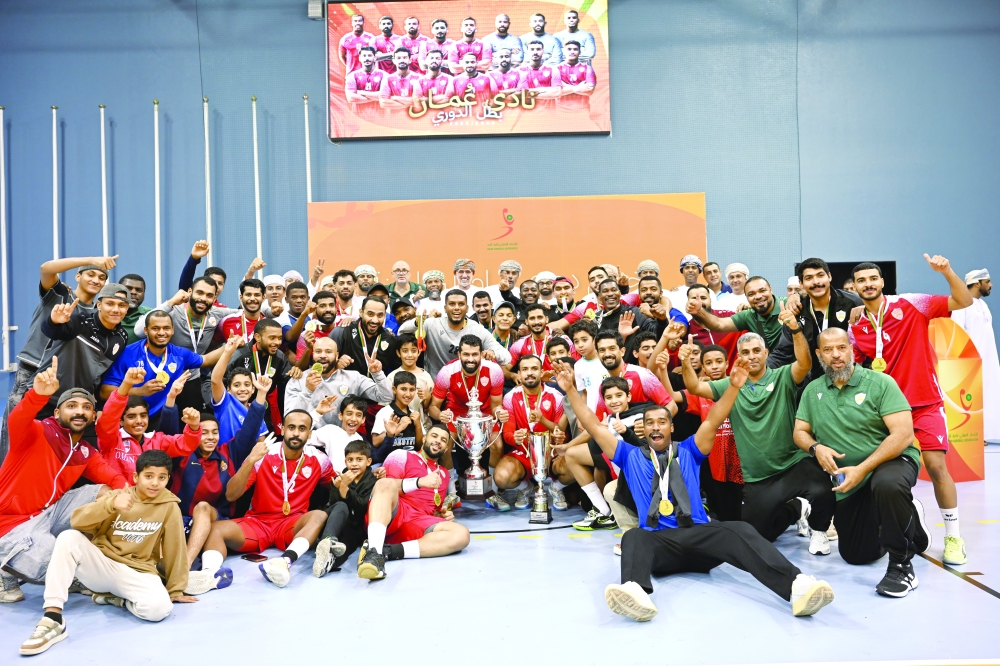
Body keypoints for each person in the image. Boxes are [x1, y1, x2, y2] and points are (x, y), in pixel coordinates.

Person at [552, 360, 835, 622]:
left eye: (661, 421)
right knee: (633, 537)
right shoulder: (627, 455)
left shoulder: (690, 450)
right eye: (649, 422)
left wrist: (734, 387)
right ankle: (635, 592)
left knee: (738, 529)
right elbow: (591, 423)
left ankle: (797, 587)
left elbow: (713, 419)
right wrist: (570, 391)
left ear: (671, 427)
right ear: (642, 430)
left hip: (700, 539)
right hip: (659, 542)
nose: (655, 426)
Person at [849, 255, 974, 565]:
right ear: (854, 286)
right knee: (884, 474)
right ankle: (906, 516)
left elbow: (964, 299)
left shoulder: (912, 304)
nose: (868, 284)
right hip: (886, 411)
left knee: (935, 467)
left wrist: (946, 271)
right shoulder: (856, 325)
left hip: (924, 403)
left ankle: (953, 536)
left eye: (872, 279)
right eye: (861, 281)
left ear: (882, 282)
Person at [682, 310, 836, 555]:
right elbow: (694, 387)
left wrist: (795, 330)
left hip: (793, 465)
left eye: (756, 351)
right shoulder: (730, 385)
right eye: (745, 352)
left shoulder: (783, 375)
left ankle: (818, 531)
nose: (751, 356)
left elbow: (805, 363)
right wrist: (686, 362)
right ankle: (796, 509)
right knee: (758, 538)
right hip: (758, 476)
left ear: (766, 353)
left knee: (822, 489)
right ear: (738, 357)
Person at [794, 329, 930, 597]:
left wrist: (863, 468)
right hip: (849, 479)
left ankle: (902, 566)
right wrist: (815, 447)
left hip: (889, 461)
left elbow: (903, 434)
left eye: (842, 348)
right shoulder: (813, 390)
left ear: (851, 349)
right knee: (857, 555)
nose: (836, 355)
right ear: (819, 355)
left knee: (887, 484)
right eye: (829, 350)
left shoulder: (880, 383)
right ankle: (906, 516)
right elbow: (800, 432)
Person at [19, 450, 192, 656]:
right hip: (102, 566)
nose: (155, 483)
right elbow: (77, 521)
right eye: (148, 476)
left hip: (138, 572)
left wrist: (175, 589)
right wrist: (110, 505)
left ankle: (115, 599)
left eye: (161, 477)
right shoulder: (117, 497)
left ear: (168, 479)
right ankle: (53, 617)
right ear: (136, 477)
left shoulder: (169, 506)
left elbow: (176, 547)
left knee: (159, 609)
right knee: (68, 538)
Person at [0, 359, 127, 604]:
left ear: (92, 417)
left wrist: (136, 500)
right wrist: (37, 395)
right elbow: (18, 418)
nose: (79, 411)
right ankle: (5, 570)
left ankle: (102, 558)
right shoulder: (35, 431)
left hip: (47, 514)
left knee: (106, 493)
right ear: (57, 412)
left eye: (86, 407)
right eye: (71, 405)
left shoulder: (84, 451)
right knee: (58, 562)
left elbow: (112, 478)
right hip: (11, 523)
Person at [191, 411, 334, 590]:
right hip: (258, 522)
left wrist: (345, 484)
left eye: (302, 428)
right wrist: (250, 460)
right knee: (215, 530)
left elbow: (336, 487)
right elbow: (231, 495)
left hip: (291, 524)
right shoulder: (265, 454)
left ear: (310, 434)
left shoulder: (319, 460)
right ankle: (209, 574)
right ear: (282, 430)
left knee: (319, 516)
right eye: (291, 427)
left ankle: (285, 562)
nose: (296, 433)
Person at [1, 255, 114, 463]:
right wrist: (94, 260)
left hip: (61, 386)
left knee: (47, 450)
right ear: (78, 276)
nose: (96, 280)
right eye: (91, 274)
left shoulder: (96, 315)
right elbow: (46, 268)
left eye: (101, 277)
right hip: (32, 372)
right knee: (14, 441)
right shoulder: (60, 294)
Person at [175, 374, 270, 571]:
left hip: (217, 519)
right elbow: (166, 429)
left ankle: (185, 565)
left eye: (214, 432)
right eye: (204, 432)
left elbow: (250, 428)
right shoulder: (181, 453)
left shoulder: (229, 452)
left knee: (202, 507)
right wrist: (170, 401)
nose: (210, 437)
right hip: (181, 520)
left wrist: (261, 394)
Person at [356, 424, 471, 581]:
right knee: (385, 483)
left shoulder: (443, 473)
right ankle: (373, 553)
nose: (438, 441)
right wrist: (420, 482)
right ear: (424, 439)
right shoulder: (401, 456)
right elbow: (386, 489)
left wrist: (444, 514)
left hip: (418, 522)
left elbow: (433, 507)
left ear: (445, 449)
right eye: (434, 436)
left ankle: (388, 552)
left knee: (461, 534)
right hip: (395, 514)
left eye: (443, 440)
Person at [101, 310, 230, 427]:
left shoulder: (179, 354)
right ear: (146, 330)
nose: (162, 333)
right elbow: (104, 393)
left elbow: (206, 360)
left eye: (166, 328)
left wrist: (231, 345)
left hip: (162, 418)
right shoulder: (127, 354)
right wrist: (139, 391)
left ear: (172, 330)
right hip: (132, 419)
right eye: (155, 328)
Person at [135, 275, 237, 413]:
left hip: (192, 379)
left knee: (189, 424)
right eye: (199, 292)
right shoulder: (173, 311)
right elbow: (139, 330)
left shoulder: (217, 314)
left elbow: (246, 313)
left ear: (214, 299)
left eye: (209, 295)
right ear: (190, 292)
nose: (203, 298)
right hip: (165, 378)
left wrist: (270, 310)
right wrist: (170, 302)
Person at [37, 284, 131, 415]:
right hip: (47, 399)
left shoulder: (122, 337)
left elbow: (102, 373)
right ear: (99, 305)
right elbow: (52, 331)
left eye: (122, 305)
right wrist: (54, 321)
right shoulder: (80, 323)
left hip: (81, 406)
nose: (116, 309)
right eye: (110, 303)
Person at [96, 367, 202, 478]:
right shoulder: (110, 440)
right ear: (121, 421)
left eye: (143, 416)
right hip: (119, 493)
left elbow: (186, 445)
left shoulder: (157, 441)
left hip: (150, 494)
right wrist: (126, 384)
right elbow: (108, 417)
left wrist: (194, 426)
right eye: (131, 417)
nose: (139, 421)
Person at [767, 258, 862, 380]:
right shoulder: (795, 310)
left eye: (820, 275)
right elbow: (782, 353)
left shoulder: (853, 302)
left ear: (829, 276)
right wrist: (761, 372)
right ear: (801, 284)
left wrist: (865, 307)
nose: (816, 282)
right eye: (809, 278)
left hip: (850, 378)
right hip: (812, 383)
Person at [496, 355, 568, 510]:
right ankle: (525, 487)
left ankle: (556, 487)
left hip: (552, 453)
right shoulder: (510, 397)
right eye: (525, 369)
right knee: (501, 477)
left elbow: (560, 430)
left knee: (575, 463)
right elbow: (508, 433)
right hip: (525, 453)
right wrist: (514, 438)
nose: (529, 373)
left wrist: (556, 434)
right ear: (519, 374)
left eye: (534, 369)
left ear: (542, 372)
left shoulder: (556, 396)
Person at [398, 289, 512, 378]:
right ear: (445, 308)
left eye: (461, 304)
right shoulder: (431, 325)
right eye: (452, 304)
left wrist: (492, 352)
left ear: (467, 308)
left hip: (466, 388)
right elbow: (401, 331)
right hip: (435, 387)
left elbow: (506, 357)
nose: (457, 308)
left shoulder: (477, 329)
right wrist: (417, 322)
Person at [284, 336, 392, 427]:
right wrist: (307, 391)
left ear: (336, 356)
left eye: (328, 352)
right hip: (310, 439)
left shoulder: (354, 377)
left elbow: (386, 396)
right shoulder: (298, 379)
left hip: (345, 439)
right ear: (313, 355)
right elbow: (289, 419)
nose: (322, 355)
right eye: (318, 351)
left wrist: (377, 374)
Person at [313, 440, 380, 578]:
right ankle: (326, 541)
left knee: (347, 545)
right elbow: (333, 504)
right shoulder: (339, 478)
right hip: (335, 522)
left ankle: (328, 562)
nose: (354, 463)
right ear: (345, 462)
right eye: (350, 460)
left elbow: (362, 507)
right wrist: (338, 487)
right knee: (339, 507)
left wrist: (345, 488)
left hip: (355, 527)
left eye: (359, 459)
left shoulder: (373, 481)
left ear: (368, 462)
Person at [951, 269, 999, 442]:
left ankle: (987, 434)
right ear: (977, 283)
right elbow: (957, 334)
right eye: (987, 281)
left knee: (990, 397)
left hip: (989, 362)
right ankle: (976, 435)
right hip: (970, 365)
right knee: (973, 401)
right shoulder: (961, 305)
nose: (991, 285)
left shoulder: (983, 305)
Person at [688, 276, 791, 350]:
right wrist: (699, 310)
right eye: (751, 294)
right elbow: (719, 324)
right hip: (772, 371)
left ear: (771, 289)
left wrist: (797, 296)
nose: (758, 296)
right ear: (746, 298)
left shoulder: (788, 304)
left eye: (762, 290)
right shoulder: (748, 316)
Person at [210, 336, 270, 442]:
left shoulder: (256, 410)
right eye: (236, 385)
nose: (242, 389)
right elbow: (215, 380)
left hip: (250, 458)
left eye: (247, 385)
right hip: (226, 457)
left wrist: (262, 391)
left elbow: (260, 442)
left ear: (253, 389)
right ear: (228, 389)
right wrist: (228, 353)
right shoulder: (225, 402)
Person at [331, 296, 399, 376]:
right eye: (370, 314)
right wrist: (336, 365)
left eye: (380, 315)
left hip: (375, 387)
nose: (375, 320)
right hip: (346, 387)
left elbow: (398, 369)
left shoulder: (390, 339)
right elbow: (323, 364)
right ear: (361, 312)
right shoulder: (342, 332)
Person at [372, 372, 424, 464]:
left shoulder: (414, 414)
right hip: (388, 462)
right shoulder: (384, 412)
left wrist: (418, 426)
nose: (408, 394)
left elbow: (419, 445)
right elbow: (375, 442)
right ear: (394, 389)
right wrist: (398, 429)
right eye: (403, 389)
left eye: (412, 390)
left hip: (411, 462)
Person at [508, 304, 575, 373]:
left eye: (540, 317)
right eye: (532, 318)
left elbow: (576, 365)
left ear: (546, 319)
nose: (536, 322)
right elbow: (505, 369)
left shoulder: (563, 339)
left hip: (558, 382)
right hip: (533, 383)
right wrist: (513, 376)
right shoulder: (519, 344)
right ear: (526, 321)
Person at [387, 333, 434, 432]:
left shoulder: (426, 377)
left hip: (423, 426)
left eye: (413, 351)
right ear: (398, 353)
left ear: (419, 352)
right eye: (405, 351)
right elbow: (386, 405)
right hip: (399, 427)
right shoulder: (392, 377)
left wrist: (427, 397)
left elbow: (428, 408)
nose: (409, 355)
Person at [310, 396, 368, 473]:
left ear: (363, 419)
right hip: (334, 479)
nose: (353, 419)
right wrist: (317, 413)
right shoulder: (331, 430)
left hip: (354, 481)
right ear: (341, 416)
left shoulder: (360, 439)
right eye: (349, 414)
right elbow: (303, 436)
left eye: (358, 415)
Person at [214, 278, 266, 345]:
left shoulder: (270, 324)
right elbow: (213, 346)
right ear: (241, 297)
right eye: (248, 295)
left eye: (257, 295)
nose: (252, 298)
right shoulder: (226, 322)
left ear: (263, 298)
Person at [558, 41, 595, 109]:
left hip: (582, 109)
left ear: (580, 52)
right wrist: (578, 88)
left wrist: (565, 87)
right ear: (563, 51)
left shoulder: (588, 68)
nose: (572, 52)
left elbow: (590, 91)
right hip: (560, 109)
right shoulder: (557, 69)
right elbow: (556, 91)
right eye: (569, 49)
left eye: (575, 49)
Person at [120, 274, 152, 344]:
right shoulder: (105, 314)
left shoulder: (150, 315)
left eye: (139, 290)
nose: (133, 292)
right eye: (128, 288)